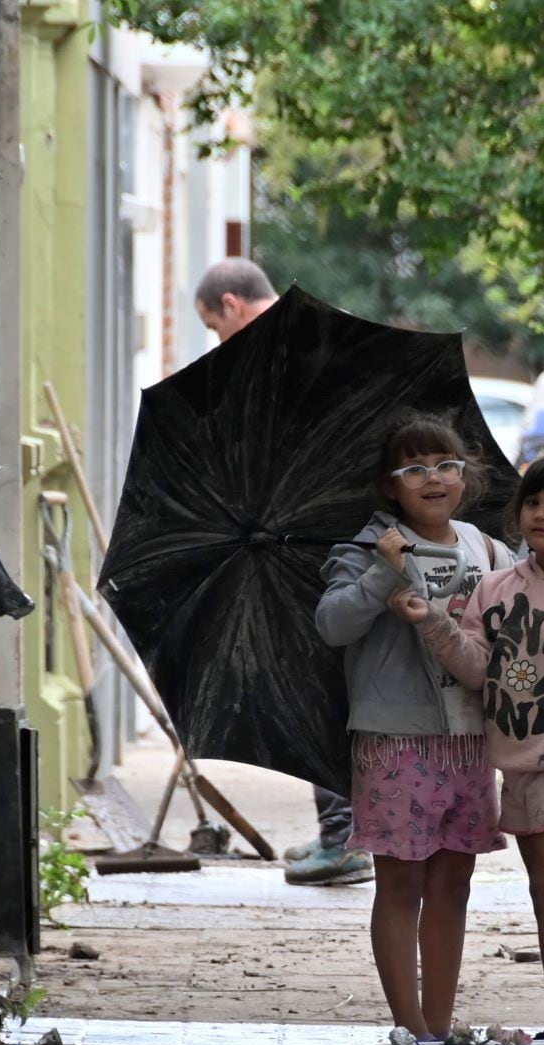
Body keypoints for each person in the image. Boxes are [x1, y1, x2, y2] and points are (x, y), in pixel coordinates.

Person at [397, 453, 544, 1041]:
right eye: (533, 502)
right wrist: (432, 622)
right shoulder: (498, 587)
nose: (540, 514)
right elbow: (478, 668)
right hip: (520, 769)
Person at [316, 414, 515, 1040]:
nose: (434, 479)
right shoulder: (366, 549)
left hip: (470, 739)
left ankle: (440, 1023)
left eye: (446, 465)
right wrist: (382, 574)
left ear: (466, 476)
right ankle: (411, 1029)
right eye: (415, 469)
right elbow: (332, 626)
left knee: (455, 879)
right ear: (390, 485)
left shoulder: (488, 549)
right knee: (401, 879)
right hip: (395, 739)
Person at [192, 257, 370, 887]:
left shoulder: (276, 356)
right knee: (323, 683)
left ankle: (346, 838)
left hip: (311, 546)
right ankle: (339, 830)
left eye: (216, 328)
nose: (220, 343)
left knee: (317, 688)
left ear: (233, 305)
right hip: (336, 539)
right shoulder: (323, 337)